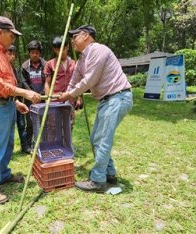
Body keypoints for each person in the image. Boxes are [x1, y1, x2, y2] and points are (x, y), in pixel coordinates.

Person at [0, 16, 41, 204]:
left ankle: (3, 174)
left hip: (7, 104)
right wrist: (25, 94)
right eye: (11, 34)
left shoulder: (2, 52)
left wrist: (15, 101)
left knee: (8, 144)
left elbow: (8, 82)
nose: (13, 38)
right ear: (0, 32)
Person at [58, 25, 133, 193]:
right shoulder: (82, 59)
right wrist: (65, 99)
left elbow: (90, 80)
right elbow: (75, 79)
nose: (72, 40)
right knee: (95, 139)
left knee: (102, 139)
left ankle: (98, 180)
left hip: (117, 97)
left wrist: (69, 94)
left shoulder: (98, 50)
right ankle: (110, 173)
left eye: (75, 36)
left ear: (86, 36)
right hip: (107, 100)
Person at [43, 36, 81, 128]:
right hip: (55, 99)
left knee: (69, 124)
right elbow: (47, 83)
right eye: (57, 49)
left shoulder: (74, 63)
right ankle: (57, 142)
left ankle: (67, 142)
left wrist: (79, 97)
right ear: (54, 49)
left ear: (67, 47)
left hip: (70, 98)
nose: (60, 52)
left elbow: (79, 82)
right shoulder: (50, 64)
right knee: (54, 126)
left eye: (63, 49)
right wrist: (49, 98)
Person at [21, 40, 47, 153]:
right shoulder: (24, 66)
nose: (35, 54)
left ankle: (43, 143)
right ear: (29, 53)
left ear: (40, 53)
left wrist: (41, 94)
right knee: (30, 123)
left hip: (43, 98)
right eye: (32, 52)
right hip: (30, 99)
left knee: (44, 121)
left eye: (37, 52)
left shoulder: (46, 65)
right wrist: (31, 94)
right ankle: (28, 145)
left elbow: (48, 80)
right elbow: (23, 82)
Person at [6, 45, 31, 154]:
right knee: (7, 127)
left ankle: (25, 147)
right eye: (9, 53)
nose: (12, 56)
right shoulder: (2, 70)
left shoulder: (16, 70)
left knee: (21, 125)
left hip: (19, 102)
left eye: (13, 54)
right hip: (7, 103)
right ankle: (6, 150)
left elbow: (21, 84)